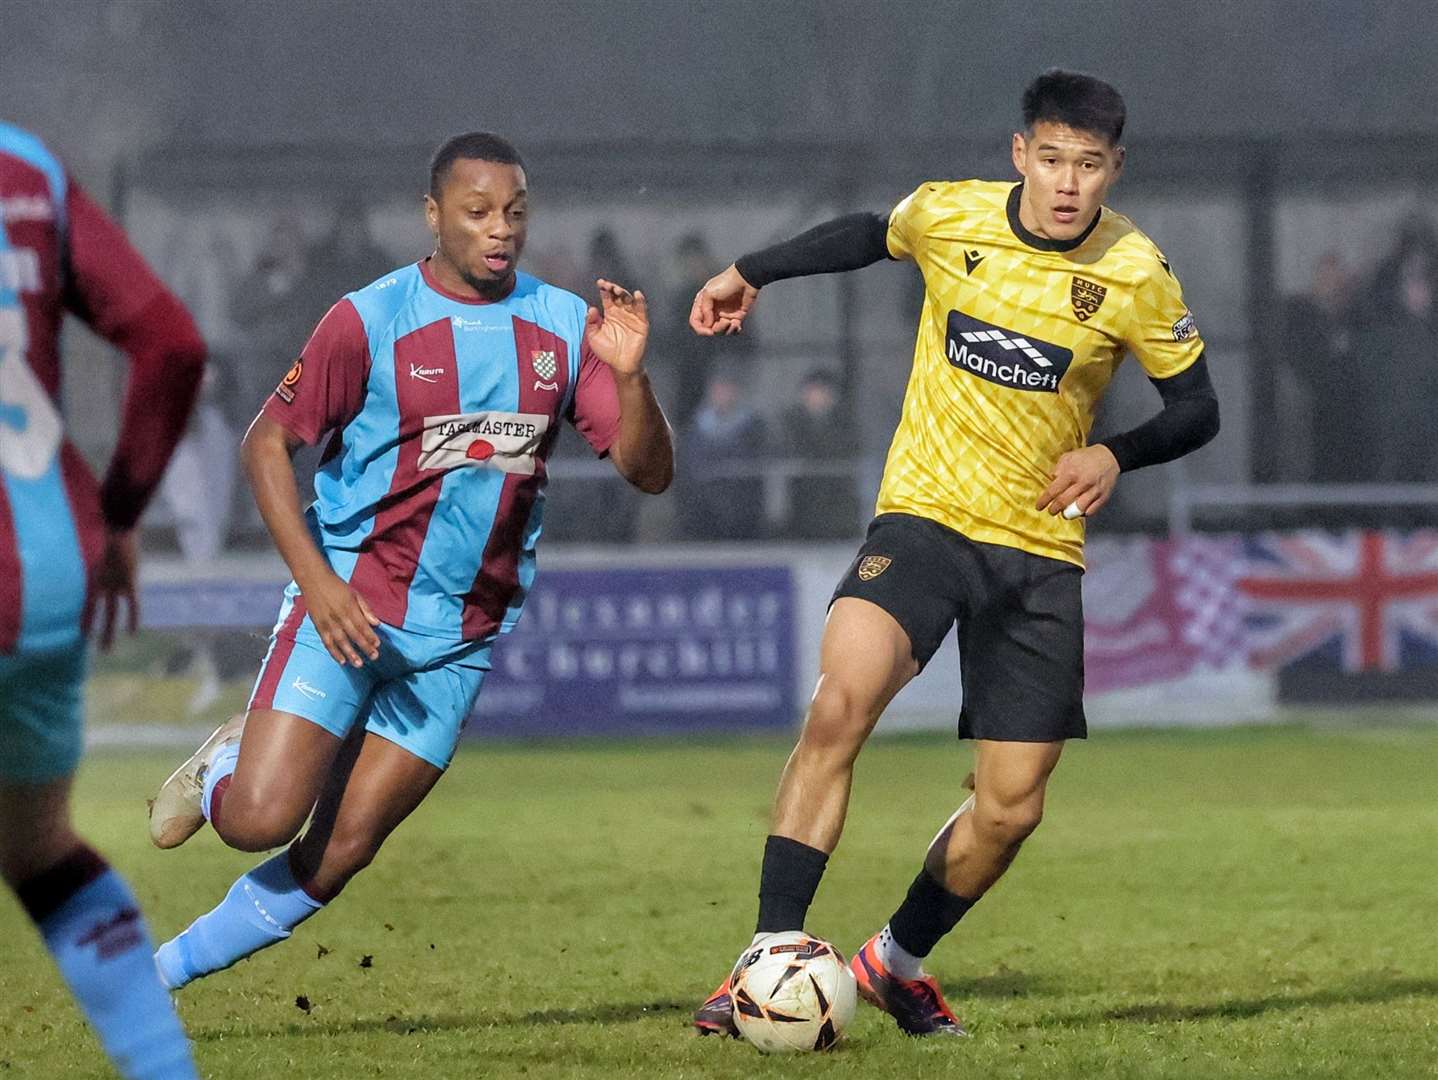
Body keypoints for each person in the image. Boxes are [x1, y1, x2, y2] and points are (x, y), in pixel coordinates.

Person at [687, 70, 1220, 1039]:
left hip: (1039, 553)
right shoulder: (949, 216)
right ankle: (762, 961)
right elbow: (864, 234)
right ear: (1020, 152)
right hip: (925, 522)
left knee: (1011, 807)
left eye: (1088, 166)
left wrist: (1113, 450)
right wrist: (749, 270)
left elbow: (1197, 408)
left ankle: (893, 962)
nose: (1067, 183)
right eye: (1051, 158)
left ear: (1114, 169)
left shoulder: (1136, 270)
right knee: (841, 697)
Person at [146, 132, 673, 991]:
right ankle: (222, 768)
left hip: (460, 637)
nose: (499, 229)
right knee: (258, 820)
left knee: (335, 855)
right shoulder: (370, 318)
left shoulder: (564, 327)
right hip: (349, 607)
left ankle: (155, 979)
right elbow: (264, 446)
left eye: (515, 212)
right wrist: (317, 586)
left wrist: (635, 377)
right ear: (434, 216)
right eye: (477, 212)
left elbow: (649, 474)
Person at [0, 121, 205, 1078]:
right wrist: (119, 511)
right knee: (38, 850)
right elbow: (170, 344)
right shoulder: (28, 170)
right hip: (45, 572)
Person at [677, 368, 769, 540]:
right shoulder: (695, 428)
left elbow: (755, 464)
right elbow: (689, 466)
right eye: (718, 390)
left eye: (727, 389)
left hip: (741, 511)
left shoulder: (753, 426)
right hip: (702, 512)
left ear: (736, 392)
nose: (722, 394)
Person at [780, 367, 861, 539]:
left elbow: (847, 457)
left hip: (837, 511)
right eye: (812, 391)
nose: (817, 397)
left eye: (821, 391)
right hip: (801, 509)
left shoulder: (845, 425)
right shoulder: (791, 424)